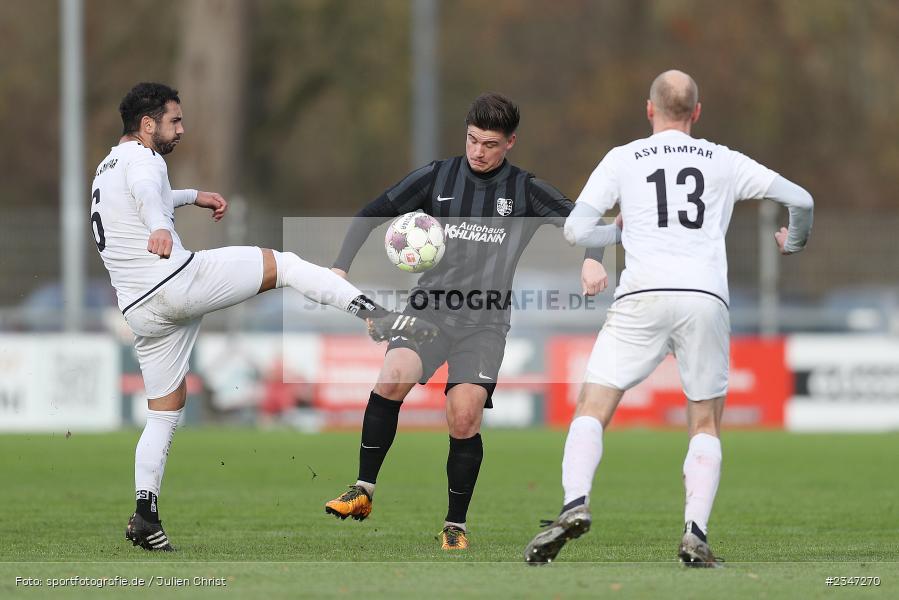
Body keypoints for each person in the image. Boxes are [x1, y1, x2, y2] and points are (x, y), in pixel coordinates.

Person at [91, 82, 437, 552]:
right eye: (174, 120)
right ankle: (376, 315)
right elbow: (148, 193)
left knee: (164, 414)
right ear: (147, 125)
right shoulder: (143, 162)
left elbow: (143, 195)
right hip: (173, 282)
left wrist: (193, 195)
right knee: (287, 265)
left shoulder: (106, 166)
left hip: (140, 310)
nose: (182, 128)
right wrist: (158, 225)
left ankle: (145, 515)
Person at [523, 70, 814, 566]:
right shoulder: (723, 160)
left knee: (593, 406)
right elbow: (801, 200)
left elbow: (575, 231)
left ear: (649, 109)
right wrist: (795, 241)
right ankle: (694, 534)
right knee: (704, 421)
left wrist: (623, 233)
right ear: (696, 113)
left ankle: (575, 503)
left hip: (643, 294)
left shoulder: (623, 158)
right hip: (705, 297)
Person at [323, 92, 619, 550]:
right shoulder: (438, 176)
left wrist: (593, 260)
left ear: (510, 143)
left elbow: (585, 221)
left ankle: (454, 526)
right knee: (392, 376)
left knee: (463, 417)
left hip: (485, 322)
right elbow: (372, 212)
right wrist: (341, 268)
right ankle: (362, 490)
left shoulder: (523, 189)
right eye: (472, 139)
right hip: (427, 310)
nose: (478, 151)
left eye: (490, 144)